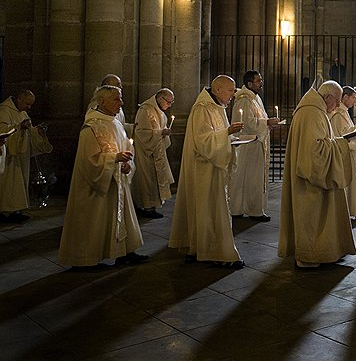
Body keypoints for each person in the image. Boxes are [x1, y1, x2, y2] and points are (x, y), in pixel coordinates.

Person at [58, 85, 148, 269]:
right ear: (101, 101)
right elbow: (88, 161)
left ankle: (125, 252)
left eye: (120, 98)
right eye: (116, 99)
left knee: (122, 215)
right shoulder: (91, 127)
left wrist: (126, 163)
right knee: (94, 221)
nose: (121, 103)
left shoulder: (115, 123)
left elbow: (126, 148)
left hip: (117, 182)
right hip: (96, 186)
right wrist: (114, 158)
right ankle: (85, 261)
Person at [168, 75, 245, 269]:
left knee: (213, 209)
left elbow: (216, 135)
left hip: (214, 167)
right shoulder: (202, 109)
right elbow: (203, 141)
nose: (233, 95)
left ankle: (204, 248)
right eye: (230, 90)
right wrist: (226, 133)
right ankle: (213, 251)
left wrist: (228, 136)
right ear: (218, 90)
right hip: (204, 169)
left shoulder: (217, 106)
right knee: (209, 210)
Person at [279, 81, 356, 268]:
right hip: (310, 183)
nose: (338, 105)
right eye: (336, 101)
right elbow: (314, 153)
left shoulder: (314, 110)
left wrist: (335, 143)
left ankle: (323, 251)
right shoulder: (312, 113)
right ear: (327, 97)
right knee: (311, 216)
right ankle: (310, 256)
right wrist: (340, 144)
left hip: (314, 178)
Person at [229, 70, 280, 221]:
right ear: (249, 83)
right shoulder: (244, 100)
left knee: (253, 178)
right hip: (247, 144)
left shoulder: (254, 99)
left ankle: (252, 208)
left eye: (261, 80)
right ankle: (240, 209)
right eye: (258, 81)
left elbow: (258, 120)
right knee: (245, 177)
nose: (261, 83)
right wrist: (267, 123)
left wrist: (268, 124)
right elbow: (247, 124)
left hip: (256, 143)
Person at [328, 86, 356, 219]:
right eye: (354, 97)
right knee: (349, 180)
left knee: (355, 179)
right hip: (343, 152)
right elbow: (345, 134)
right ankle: (350, 209)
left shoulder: (344, 112)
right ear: (345, 97)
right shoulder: (338, 114)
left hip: (349, 151)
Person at [132, 88, 176, 219]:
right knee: (147, 180)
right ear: (160, 98)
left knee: (155, 179)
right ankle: (146, 207)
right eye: (168, 102)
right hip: (146, 151)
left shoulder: (159, 112)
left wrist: (164, 132)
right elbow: (140, 132)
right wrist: (160, 133)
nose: (169, 105)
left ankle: (152, 206)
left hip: (157, 149)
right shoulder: (145, 109)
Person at [0, 90, 36, 223]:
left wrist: (38, 131)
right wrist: (19, 127)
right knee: (9, 183)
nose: (29, 107)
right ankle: (5, 211)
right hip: (9, 155)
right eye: (27, 104)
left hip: (20, 155)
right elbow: (2, 131)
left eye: (31, 105)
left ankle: (16, 209)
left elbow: (29, 131)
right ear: (19, 99)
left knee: (18, 182)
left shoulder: (23, 113)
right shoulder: (4, 110)